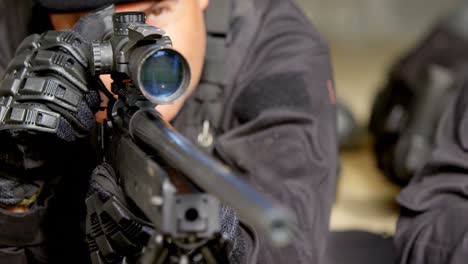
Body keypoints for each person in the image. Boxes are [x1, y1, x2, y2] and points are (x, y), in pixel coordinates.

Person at [0, 0, 338, 263]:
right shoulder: (13, 30)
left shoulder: (277, 51)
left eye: (156, 11)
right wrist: (16, 203)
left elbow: (293, 246)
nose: (115, 77)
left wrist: (224, 243)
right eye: (85, 23)